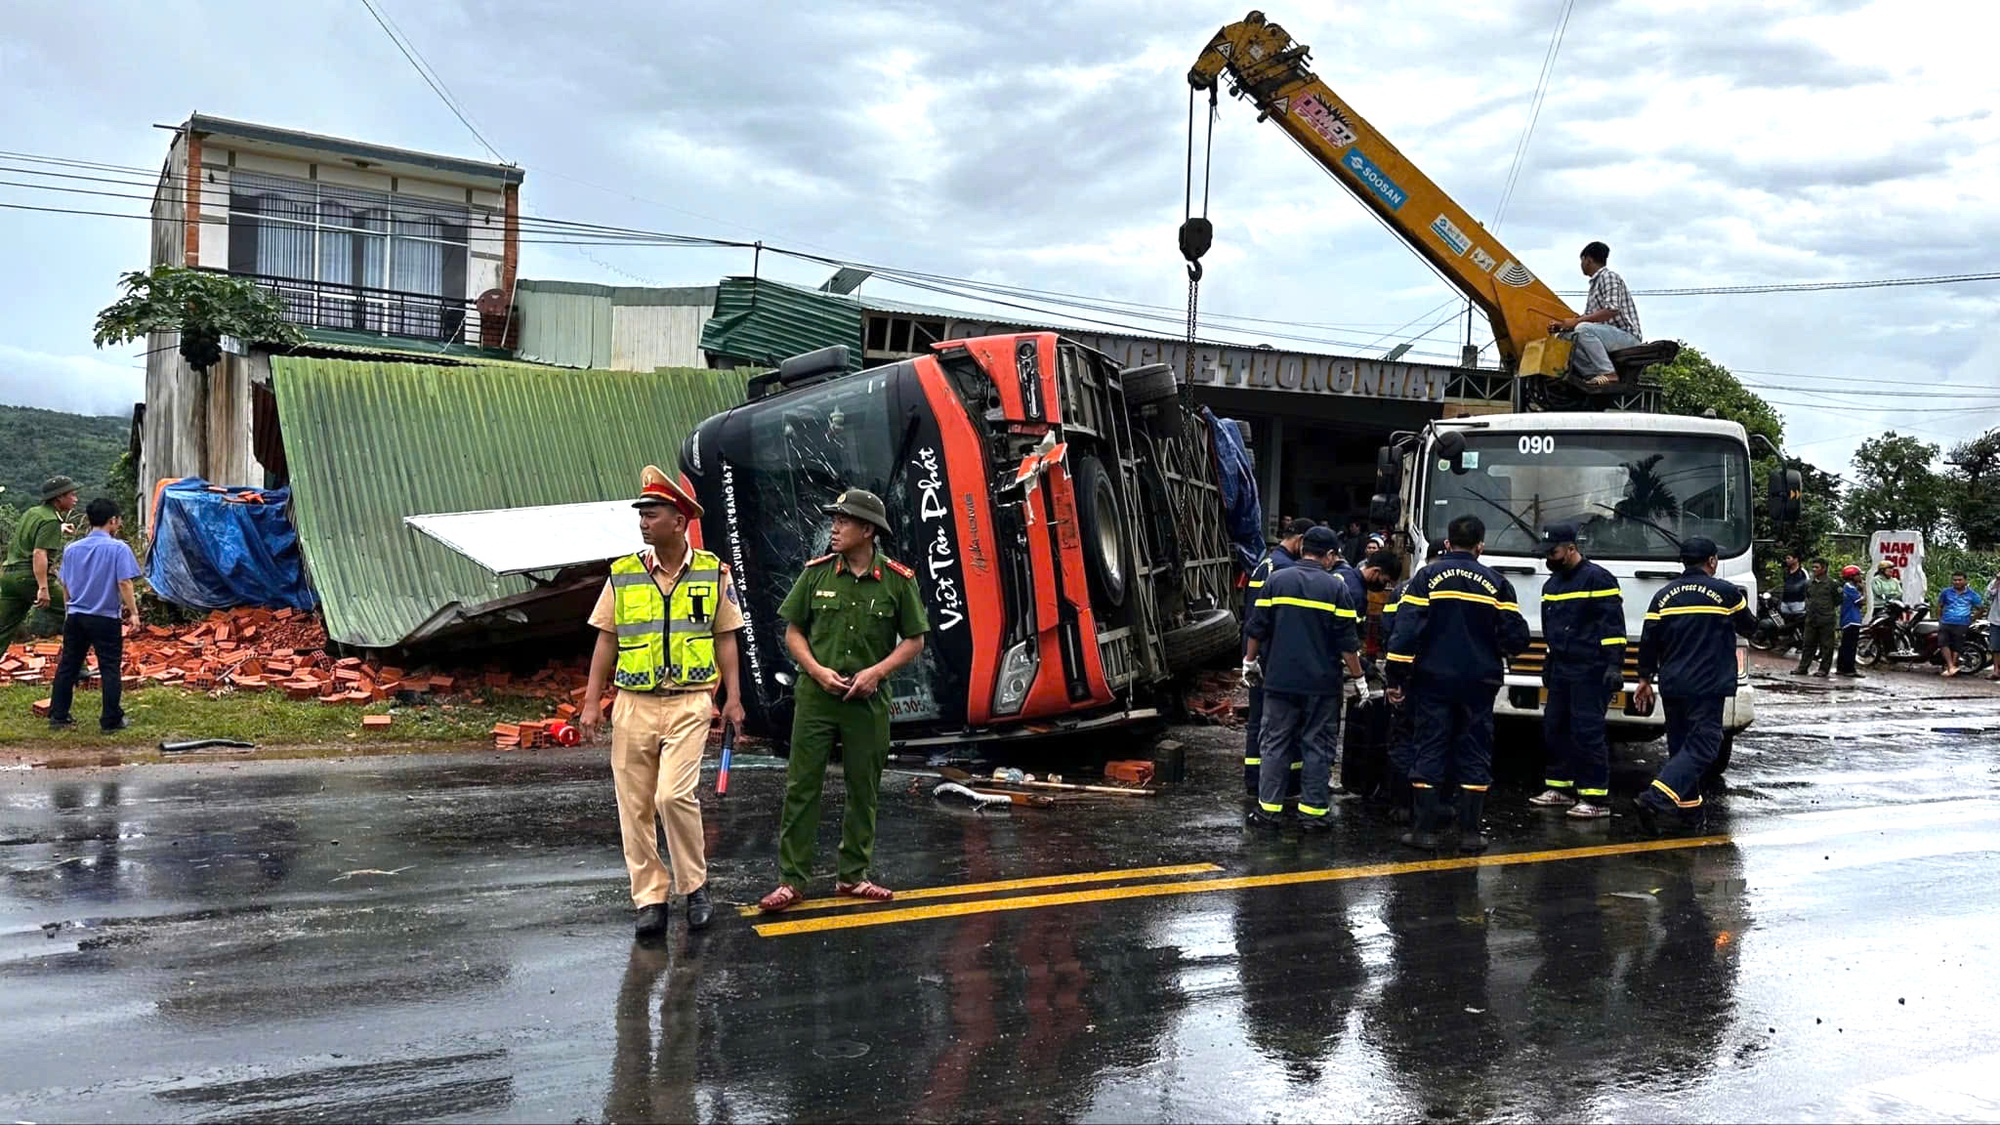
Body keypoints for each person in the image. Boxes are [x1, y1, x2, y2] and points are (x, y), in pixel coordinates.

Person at [580, 466, 745, 936]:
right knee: (633, 804)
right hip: (633, 702)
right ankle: (649, 898)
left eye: (652, 514)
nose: (643, 522)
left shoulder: (713, 573)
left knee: (672, 795)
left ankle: (694, 887)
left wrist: (732, 698)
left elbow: (726, 638)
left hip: (690, 701)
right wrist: (593, 702)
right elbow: (606, 641)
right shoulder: (624, 573)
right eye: (642, 515)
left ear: (680, 521)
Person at [758, 488, 929, 913]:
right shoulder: (816, 574)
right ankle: (791, 881)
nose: (834, 528)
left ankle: (854, 876)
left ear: (867, 530)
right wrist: (816, 671)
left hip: (867, 700)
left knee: (863, 788)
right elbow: (793, 631)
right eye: (834, 520)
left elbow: (914, 639)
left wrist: (877, 672)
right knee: (802, 786)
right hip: (817, 697)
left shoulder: (895, 580)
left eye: (844, 521)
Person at [1384, 515, 1531, 853]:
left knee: (1429, 747)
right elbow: (1516, 637)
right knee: (1475, 749)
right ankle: (1470, 833)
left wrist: (1396, 678)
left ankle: (1423, 831)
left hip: (1433, 680)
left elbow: (1405, 633)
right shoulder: (1497, 583)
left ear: (1447, 544)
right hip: (1480, 682)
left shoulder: (1426, 579)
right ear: (1481, 546)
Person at [1242, 526, 1368, 832]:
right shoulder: (1337, 588)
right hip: (1321, 686)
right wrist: (1359, 678)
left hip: (1280, 680)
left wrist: (1249, 662)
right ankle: (1313, 813)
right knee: (1317, 746)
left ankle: (1268, 811)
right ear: (1328, 556)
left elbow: (1257, 627)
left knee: (1274, 743)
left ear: (1302, 549)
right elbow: (1347, 642)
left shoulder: (1276, 581)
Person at [1632, 537, 1756, 834]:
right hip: (1708, 685)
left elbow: (1649, 642)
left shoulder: (1662, 596)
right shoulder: (1727, 593)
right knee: (1705, 745)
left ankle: (1691, 814)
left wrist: (1644, 680)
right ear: (1712, 561)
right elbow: (1750, 627)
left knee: (1681, 748)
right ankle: (1656, 798)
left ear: (1683, 561)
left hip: (1673, 684)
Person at [1527, 523, 1625, 821]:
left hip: (1591, 668)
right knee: (1555, 728)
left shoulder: (1598, 579)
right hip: (1561, 668)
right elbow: (1551, 629)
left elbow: (1612, 627)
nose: (1549, 558)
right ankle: (1560, 787)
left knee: (1587, 733)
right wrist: (1547, 659)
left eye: (1553, 552)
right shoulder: (1552, 586)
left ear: (1571, 548)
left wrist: (1614, 664)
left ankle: (1595, 797)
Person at [45, 498, 140, 732]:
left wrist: (69, 611)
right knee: (109, 667)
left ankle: (58, 716)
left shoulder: (72, 549)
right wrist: (134, 613)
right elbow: (124, 582)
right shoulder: (118, 548)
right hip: (105, 616)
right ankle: (111, 720)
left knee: (68, 665)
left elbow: (65, 584)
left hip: (76, 615)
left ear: (88, 520)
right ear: (113, 521)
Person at [1242, 518, 1317, 796]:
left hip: (1257, 654)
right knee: (1284, 726)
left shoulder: (1265, 564)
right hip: (1276, 658)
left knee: (1257, 722)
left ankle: (1254, 777)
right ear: (1299, 541)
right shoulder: (1287, 571)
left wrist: (1249, 659)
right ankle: (1287, 783)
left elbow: (1252, 618)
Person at [0, 475, 81, 653]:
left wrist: (60, 528)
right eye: (72, 495)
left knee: (3, 628)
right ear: (59, 497)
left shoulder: (33, 512)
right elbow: (39, 553)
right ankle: (76, 667)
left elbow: (32, 535)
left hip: (9, 577)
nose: (75, 499)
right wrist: (43, 587)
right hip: (29, 577)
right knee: (74, 612)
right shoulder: (51, 520)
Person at [1548, 241, 1643, 389]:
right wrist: (1562, 326)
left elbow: (1612, 309)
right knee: (1564, 338)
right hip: (1607, 336)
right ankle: (1593, 375)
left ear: (1588, 259)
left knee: (1582, 328)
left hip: (1627, 337)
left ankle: (1609, 373)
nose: (1581, 264)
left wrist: (1576, 322)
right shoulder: (1594, 284)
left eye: (1582, 260)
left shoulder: (1608, 277)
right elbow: (1588, 317)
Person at [1794, 558, 1840, 678]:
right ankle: (1803, 667)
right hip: (1811, 618)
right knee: (1808, 644)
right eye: (1813, 567)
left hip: (1826, 619)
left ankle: (1824, 669)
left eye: (1817, 567)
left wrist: (1826, 609)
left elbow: (1838, 600)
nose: (1814, 570)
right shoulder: (1809, 583)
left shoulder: (1832, 584)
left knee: (1826, 645)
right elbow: (1807, 596)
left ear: (1824, 568)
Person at [1937, 572, 1984, 678]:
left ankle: (1952, 666)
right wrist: (1940, 619)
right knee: (1943, 643)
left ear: (1965, 581)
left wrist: (1971, 619)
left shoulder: (1972, 594)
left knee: (1957, 645)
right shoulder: (1946, 592)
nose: (1957, 582)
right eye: (1955, 580)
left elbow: (1981, 609)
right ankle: (1950, 666)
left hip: (1962, 623)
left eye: (1959, 580)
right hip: (1946, 621)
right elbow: (1939, 606)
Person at [1837, 564, 1867, 678]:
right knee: (1850, 646)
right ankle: (1849, 669)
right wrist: (1864, 589)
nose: (1860, 578)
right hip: (1851, 619)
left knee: (1845, 644)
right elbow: (1861, 601)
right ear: (1852, 576)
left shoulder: (1848, 587)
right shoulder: (1850, 588)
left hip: (1849, 619)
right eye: (1858, 575)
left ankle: (1841, 668)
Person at [1779, 552, 1809, 622]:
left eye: (1789, 558)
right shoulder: (1786, 571)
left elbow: (1807, 585)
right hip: (1785, 602)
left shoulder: (1802, 572)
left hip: (1797, 602)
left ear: (1796, 559)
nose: (1787, 560)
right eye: (1786, 558)